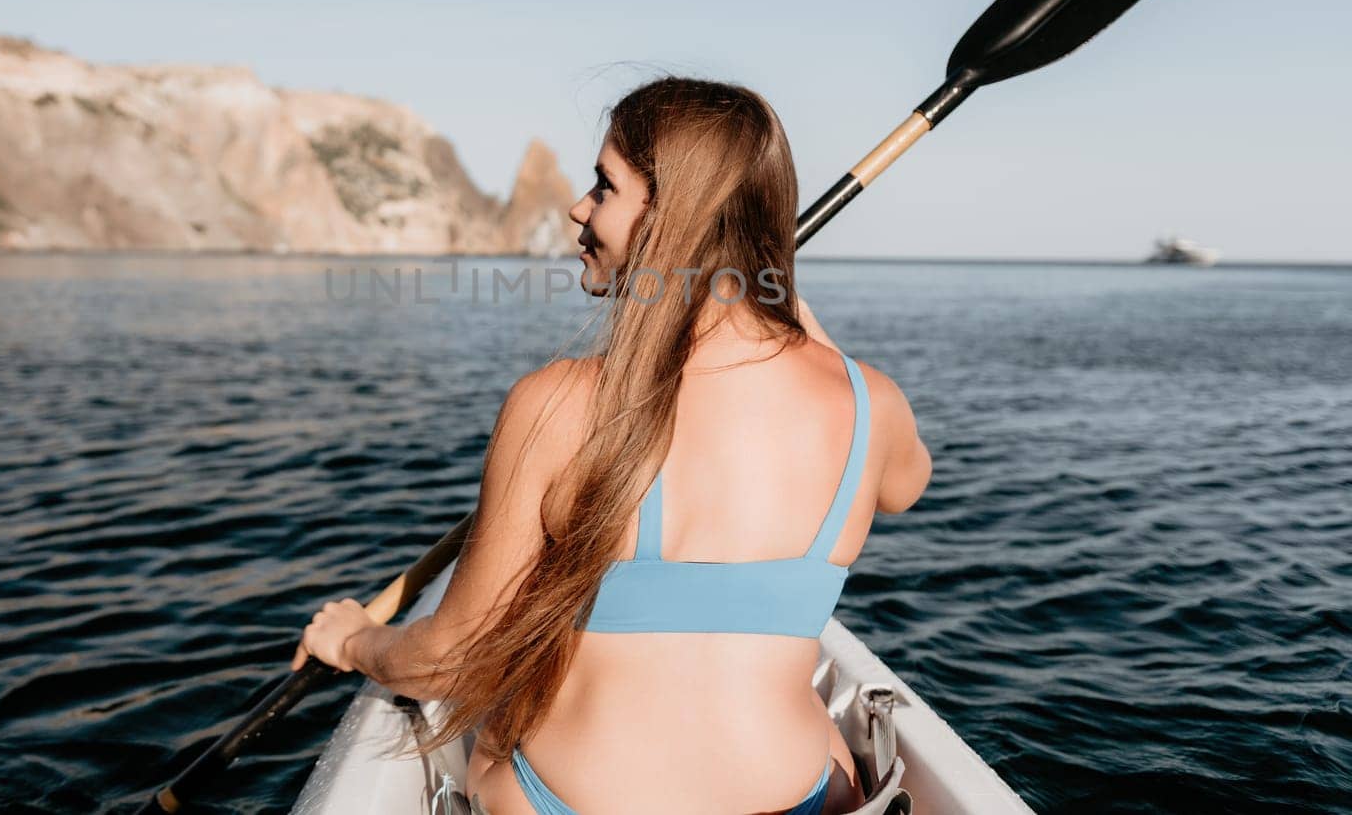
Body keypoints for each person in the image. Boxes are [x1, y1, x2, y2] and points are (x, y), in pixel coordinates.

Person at [294, 77, 934, 814]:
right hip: (798, 796)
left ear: (672, 216)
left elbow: (451, 659)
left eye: (604, 186)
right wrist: (807, 329)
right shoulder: (870, 404)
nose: (578, 207)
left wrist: (352, 643)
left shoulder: (560, 403)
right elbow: (905, 487)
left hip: (571, 799)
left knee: (509, 709)